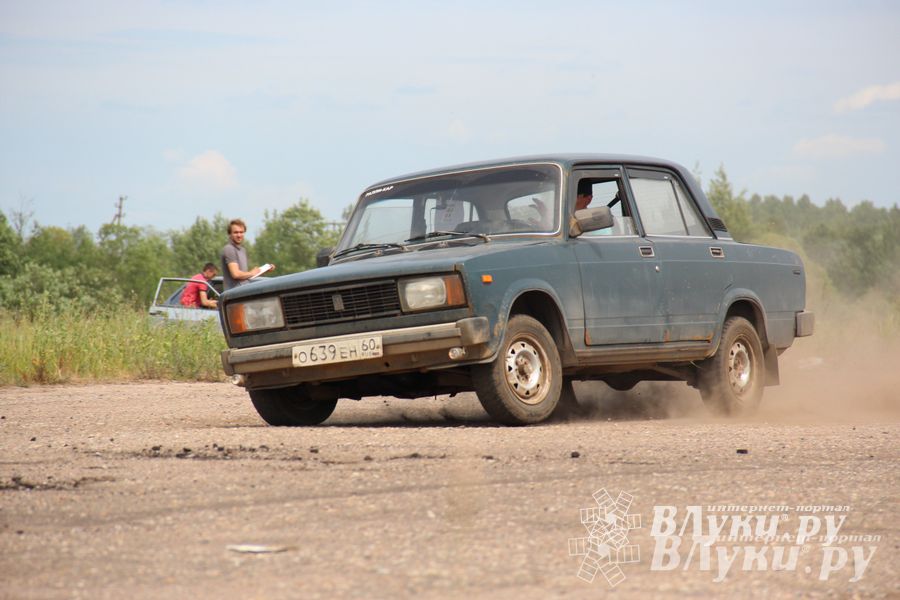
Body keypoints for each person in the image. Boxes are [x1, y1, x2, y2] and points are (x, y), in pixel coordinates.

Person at [221, 218, 275, 290]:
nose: (239, 235)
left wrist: (263, 270)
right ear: (229, 234)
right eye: (236, 232)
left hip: (243, 291)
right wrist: (252, 273)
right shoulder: (229, 249)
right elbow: (236, 274)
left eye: (241, 232)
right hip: (234, 295)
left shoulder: (242, 250)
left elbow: (245, 276)